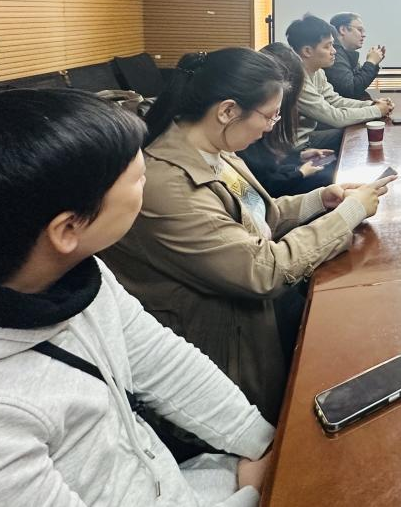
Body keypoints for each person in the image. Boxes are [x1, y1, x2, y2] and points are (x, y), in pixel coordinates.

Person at [0, 88, 274, 506]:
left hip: (169, 481)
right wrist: (256, 493)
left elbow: (164, 361)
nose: (148, 181)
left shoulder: (77, 276)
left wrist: (267, 446)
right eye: (137, 179)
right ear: (68, 230)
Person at [101, 47, 395, 422]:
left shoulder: (216, 151)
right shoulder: (170, 185)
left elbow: (260, 216)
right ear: (227, 111)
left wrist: (322, 199)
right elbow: (262, 270)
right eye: (269, 116)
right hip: (227, 348)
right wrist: (349, 215)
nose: (271, 127)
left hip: (258, 317)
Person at [239, 43, 337, 197]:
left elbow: (271, 162)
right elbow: (264, 185)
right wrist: (299, 173)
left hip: (283, 178)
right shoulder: (247, 128)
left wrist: (299, 157)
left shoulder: (259, 118)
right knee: (330, 177)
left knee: (332, 167)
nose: (270, 125)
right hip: (274, 191)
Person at [286, 15, 392, 148]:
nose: (334, 51)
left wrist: (371, 104)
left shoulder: (317, 71)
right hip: (297, 146)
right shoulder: (296, 79)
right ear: (307, 51)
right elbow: (335, 117)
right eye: (327, 46)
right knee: (356, 136)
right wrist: (376, 110)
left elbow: (335, 100)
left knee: (357, 133)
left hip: (310, 135)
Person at [327, 12, 384, 100]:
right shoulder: (334, 55)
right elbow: (352, 89)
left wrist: (374, 64)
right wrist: (371, 62)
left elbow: (360, 83)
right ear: (343, 29)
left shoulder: (346, 53)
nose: (364, 35)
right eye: (359, 30)